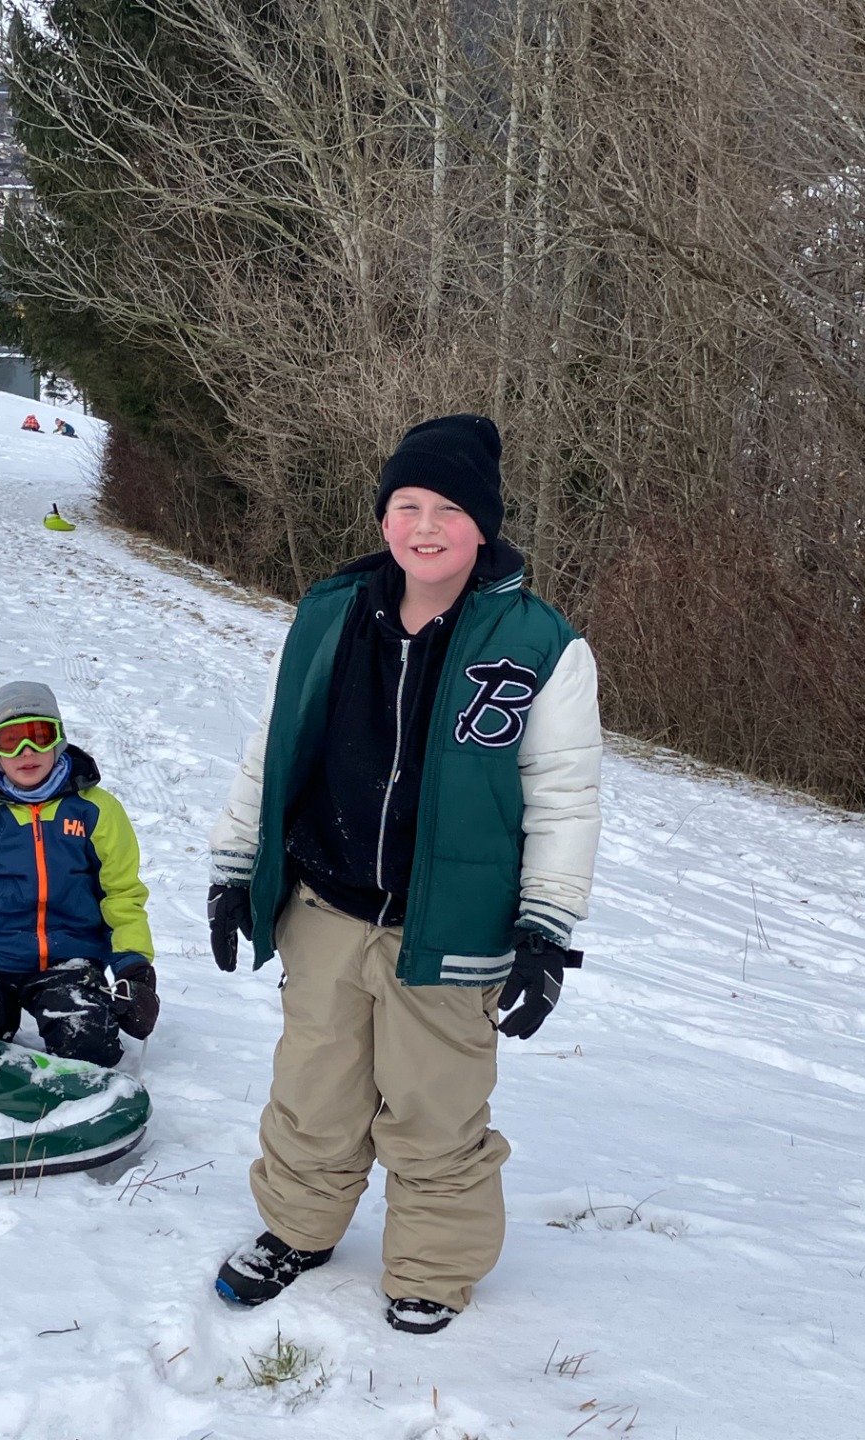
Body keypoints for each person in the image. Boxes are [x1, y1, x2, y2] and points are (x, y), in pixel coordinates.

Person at [206, 414, 602, 1335]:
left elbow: (563, 796)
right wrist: (234, 867)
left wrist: (544, 929)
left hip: (451, 925)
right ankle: (297, 1229)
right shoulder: (329, 614)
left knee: (436, 1111)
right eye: (408, 505)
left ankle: (430, 1267)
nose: (426, 527)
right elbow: (273, 749)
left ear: (484, 526)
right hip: (326, 906)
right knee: (313, 1092)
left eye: (449, 509)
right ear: (383, 515)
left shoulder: (541, 644)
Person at [0, 681, 159, 1072]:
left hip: (69, 960)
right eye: (10, 740)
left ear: (59, 740)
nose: (27, 751)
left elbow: (121, 895)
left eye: (40, 735)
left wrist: (134, 973)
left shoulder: (95, 810)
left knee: (89, 1052)